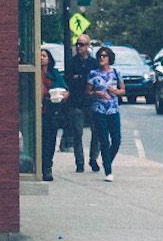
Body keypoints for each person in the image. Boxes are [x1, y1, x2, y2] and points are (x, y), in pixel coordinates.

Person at [88, 43, 124, 181]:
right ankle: (108, 171)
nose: (102, 58)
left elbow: (123, 90)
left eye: (104, 56)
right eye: (100, 56)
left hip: (113, 109)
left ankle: (107, 159)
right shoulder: (93, 74)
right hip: (99, 110)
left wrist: (116, 91)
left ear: (110, 58)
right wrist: (96, 93)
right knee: (103, 139)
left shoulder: (115, 72)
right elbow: (88, 92)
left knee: (116, 140)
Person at [63, 33, 99, 172]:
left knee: (96, 131)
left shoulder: (93, 63)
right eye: (77, 44)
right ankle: (79, 162)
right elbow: (68, 81)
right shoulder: (72, 63)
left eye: (82, 44)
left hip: (91, 103)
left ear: (88, 46)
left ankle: (93, 159)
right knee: (77, 132)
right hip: (76, 103)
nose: (79, 46)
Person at [39, 46, 60, 180]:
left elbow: (64, 89)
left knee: (50, 139)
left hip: (51, 110)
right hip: (37, 111)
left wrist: (62, 94)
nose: (41, 58)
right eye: (40, 55)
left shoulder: (54, 74)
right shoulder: (34, 73)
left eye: (44, 56)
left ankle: (47, 167)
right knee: (39, 139)